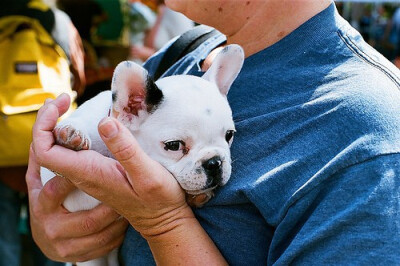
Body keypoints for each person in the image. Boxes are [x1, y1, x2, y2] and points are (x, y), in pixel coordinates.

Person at [27, 0, 400, 265]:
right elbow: (59, 232)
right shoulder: (187, 53)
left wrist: (162, 222)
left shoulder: (367, 132)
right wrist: (54, 224)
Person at [0, 0, 84, 265]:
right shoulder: (59, 23)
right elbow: (79, 79)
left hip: (2, 150)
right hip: (51, 148)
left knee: (3, 239)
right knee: (54, 237)